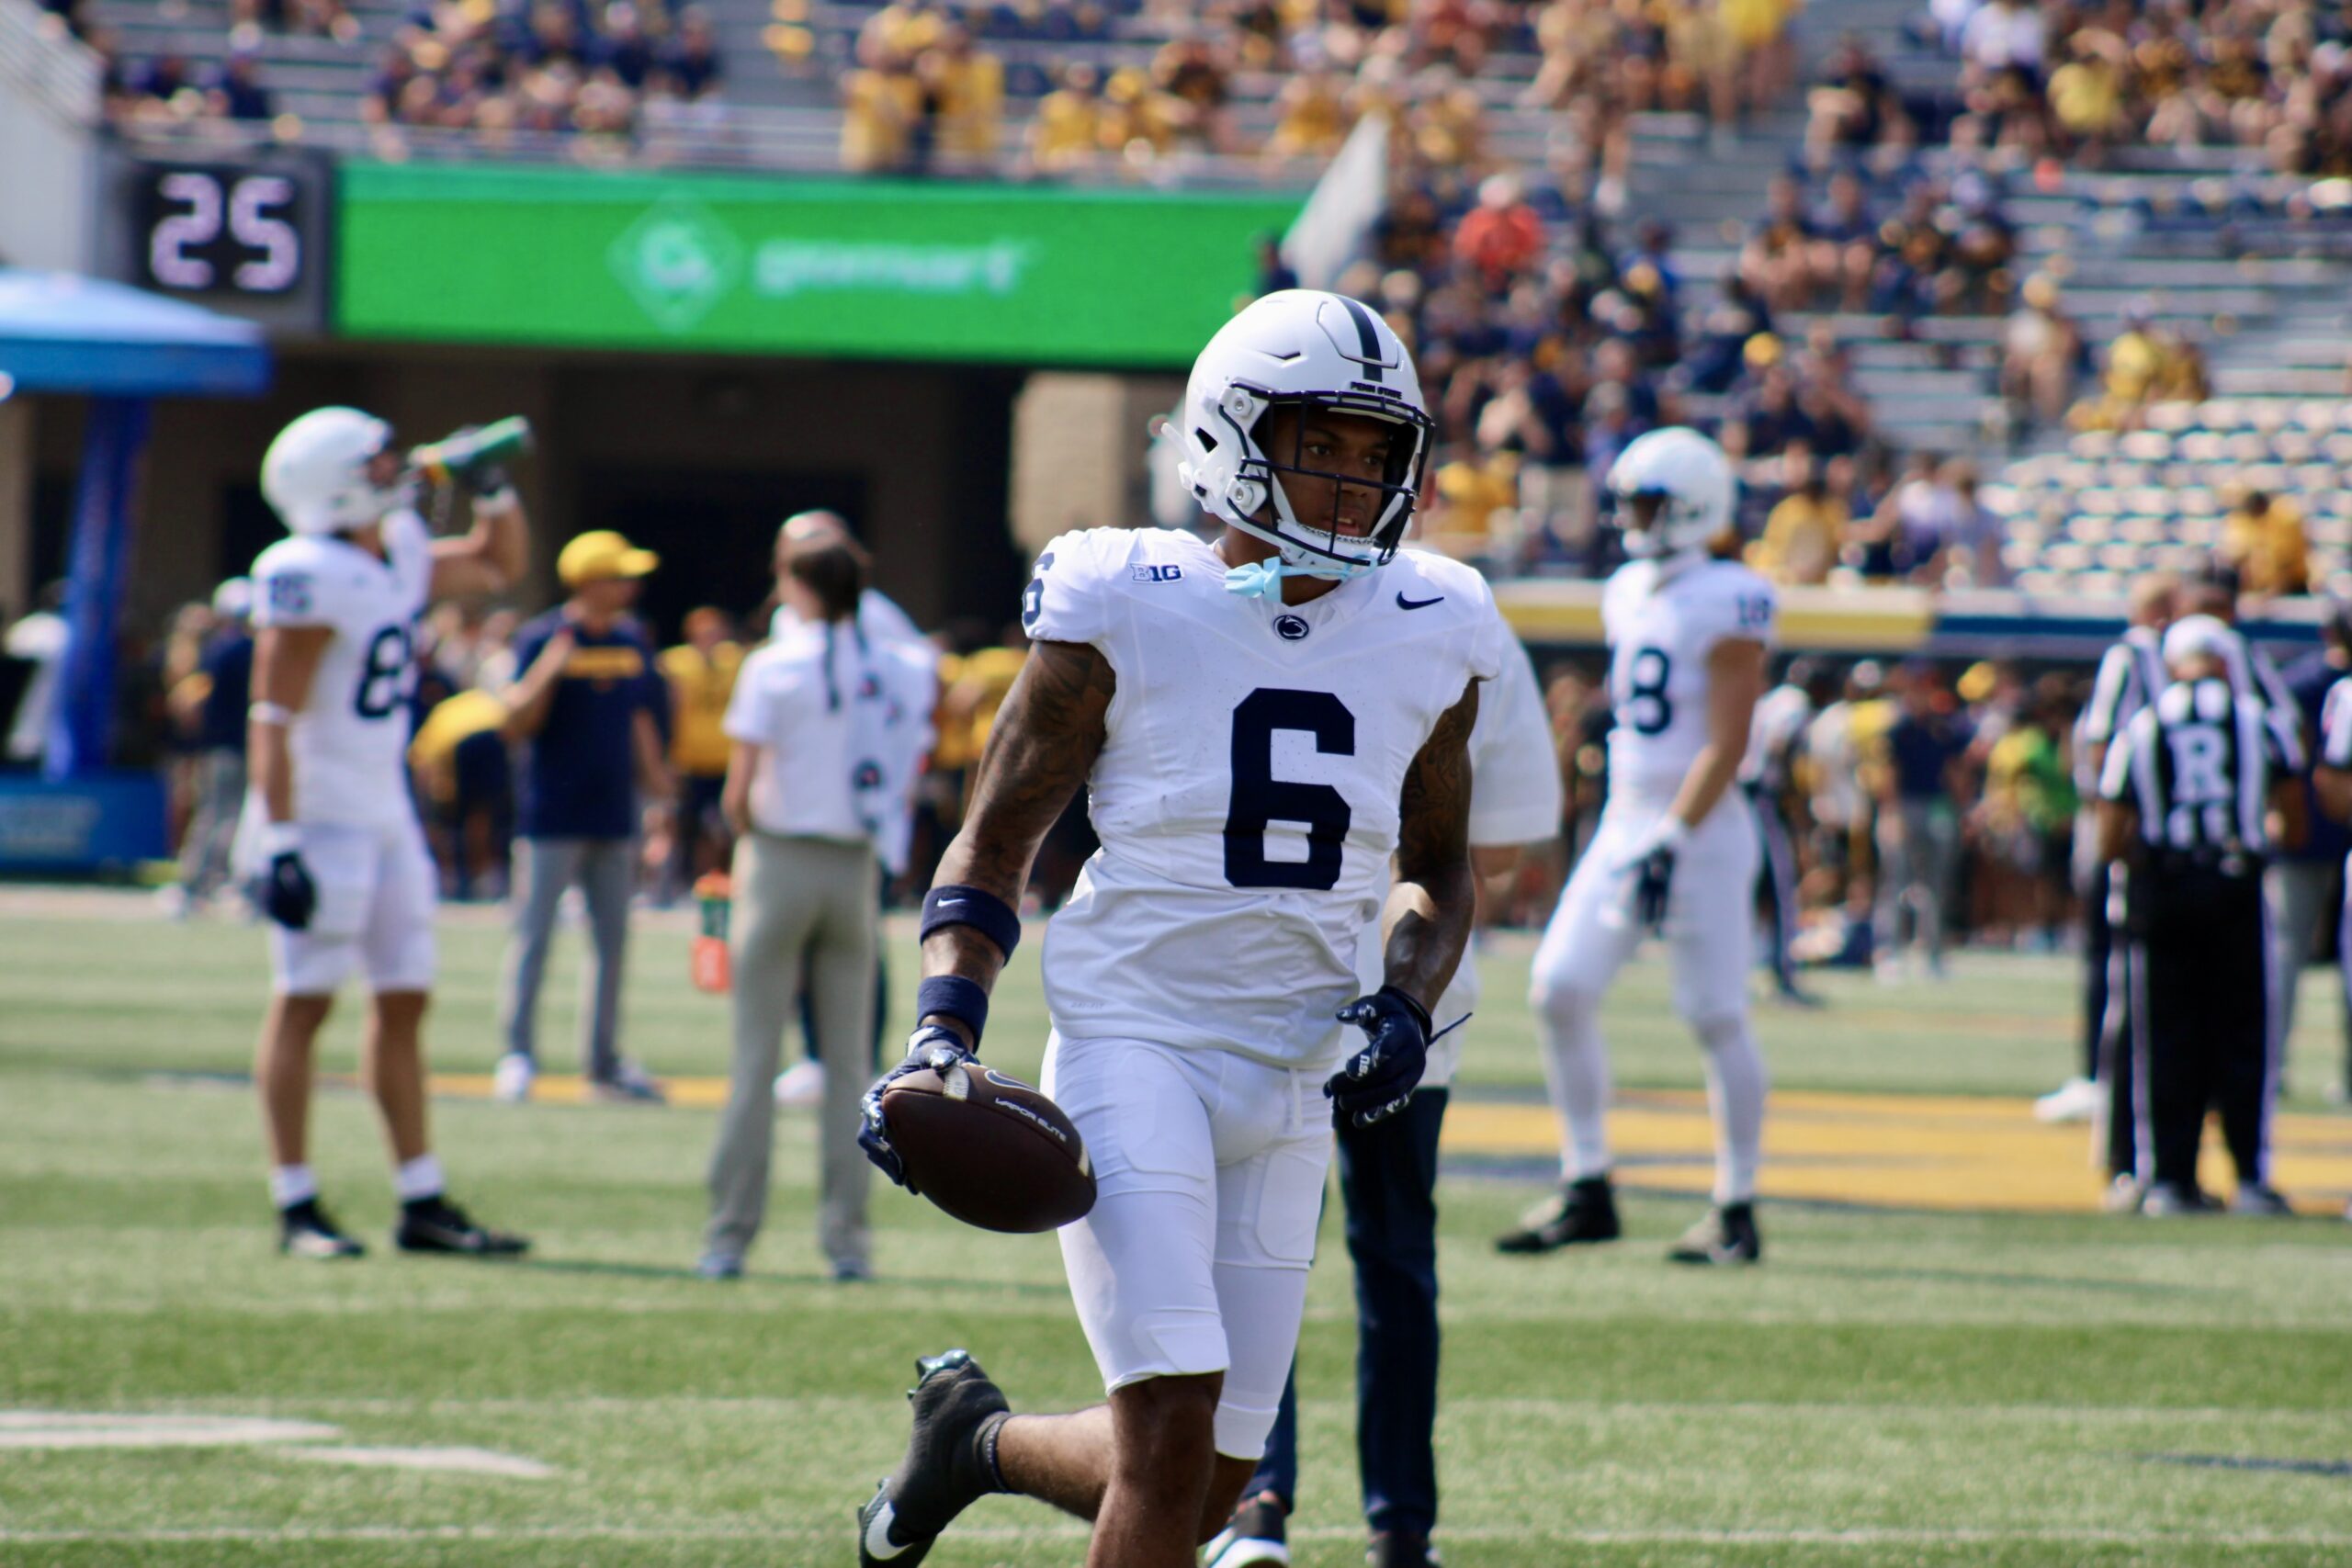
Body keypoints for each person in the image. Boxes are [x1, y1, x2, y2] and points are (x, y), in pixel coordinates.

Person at [850, 289, 1498, 1568]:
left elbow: (1440, 871)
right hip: (1136, 1038)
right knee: (1167, 1435)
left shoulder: (1440, 621)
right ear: (1228, 436)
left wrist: (1405, 1006)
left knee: (1208, 1481)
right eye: (1324, 440)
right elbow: (995, 840)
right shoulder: (1125, 595)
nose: (1356, 478)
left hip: (1296, 1066)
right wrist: (943, 1028)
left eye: (1379, 451)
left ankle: (971, 1439)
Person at [1208, 630, 1561, 1568]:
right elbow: (1500, 846)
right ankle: (1399, 1526)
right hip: (1413, 981)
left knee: (1255, 1248)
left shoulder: (1248, 598)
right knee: (1396, 1257)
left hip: (1265, 977)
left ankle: (1255, 1503)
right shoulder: (1457, 616)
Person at [239, 405, 529, 1259]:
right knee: (305, 1001)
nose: (395, 468)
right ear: (334, 483)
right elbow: (270, 713)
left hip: (384, 808)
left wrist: (495, 485)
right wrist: (282, 837)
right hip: (321, 811)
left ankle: (421, 1196)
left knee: (405, 995)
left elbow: (495, 562)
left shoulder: (392, 550)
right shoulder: (305, 570)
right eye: (375, 461)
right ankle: (294, 1201)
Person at [1498, 427, 1778, 1265]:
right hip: (1628, 819)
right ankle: (1589, 1184)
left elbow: (1726, 743)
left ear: (1694, 505)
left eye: (1648, 503)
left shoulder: (1731, 592)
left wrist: (1673, 836)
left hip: (1704, 826)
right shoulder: (1629, 588)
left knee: (1716, 1012)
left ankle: (1737, 1204)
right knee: (1558, 988)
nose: (1633, 518)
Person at [700, 536, 935, 1283]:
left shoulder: (774, 663)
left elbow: (738, 790)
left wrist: (744, 836)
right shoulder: (894, 665)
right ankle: (846, 1239)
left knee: (753, 1059)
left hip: (780, 857)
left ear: (797, 584)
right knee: (849, 1069)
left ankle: (729, 1235)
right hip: (855, 865)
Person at [2097, 615, 2301, 1215]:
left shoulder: (2145, 722)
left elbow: (2110, 823)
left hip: (2166, 886)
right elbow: (2293, 811)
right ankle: (2253, 1178)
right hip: (2235, 884)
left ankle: (2167, 1178)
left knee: (2164, 1035)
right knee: (2244, 1035)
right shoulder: (2255, 720)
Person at [492, 530, 674, 1105]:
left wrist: (659, 800)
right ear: (591, 582)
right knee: (534, 937)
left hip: (612, 813)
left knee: (612, 943)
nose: (630, 586)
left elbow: (640, 721)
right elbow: (515, 719)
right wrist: (551, 667)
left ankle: (603, 1061)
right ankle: (517, 1053)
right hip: (551, 814)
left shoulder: (630, 641)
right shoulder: (541, 637)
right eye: (619, 576)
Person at [2042, 574, 2175, 1132]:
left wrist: (2105, 826)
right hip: (2170, 836)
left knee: (2109, 957)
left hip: (2127, 829)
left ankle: (2102, 1078)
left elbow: (2100, 740)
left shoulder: (2133, 655)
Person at [2267, 600, 2352, 1091]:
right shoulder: (2302, 684)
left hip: (2307, 828)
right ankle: (2274, 1065)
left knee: (2284, 951)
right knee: (2284, 951)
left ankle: (2272, 1067)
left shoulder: (2299, 682)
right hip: (2311, 828)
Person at [1871, 663, 1973, 981]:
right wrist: (1890, 814)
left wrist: (1966, 810)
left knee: (1936, 884)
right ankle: (1888, 951)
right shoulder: (1898, 727)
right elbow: (1889, 774)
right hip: (1906, 805)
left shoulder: (1944, 727)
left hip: (1937, 806)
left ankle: (1932, 951)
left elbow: (1954, 770)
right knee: (1896, 879)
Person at [168, 578, 255, 912]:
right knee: (231, 816)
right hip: (241, 745)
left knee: (214, 814)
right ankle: (219, 883)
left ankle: (197, 883)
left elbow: (189, 703)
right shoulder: (249, 648)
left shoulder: (218, 649)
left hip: (220, 745)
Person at [1742, 656, 1823, 1004]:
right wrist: (1797, 807)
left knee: (1746, 890)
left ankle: (1747, 971)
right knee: (1778, 889)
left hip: (1740, 796)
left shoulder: (1769, 701)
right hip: (1759, 796)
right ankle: (1783, 975)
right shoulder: (1793, 703)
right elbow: (1782, 749)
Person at [659, 606, 741, 904]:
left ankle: (729, 882)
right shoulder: (677, 663)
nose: (711, 638)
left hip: (725, 760)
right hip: (689, 761)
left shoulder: (735, 660)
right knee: (684, 828)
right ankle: (682, 885)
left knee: (729, 829)